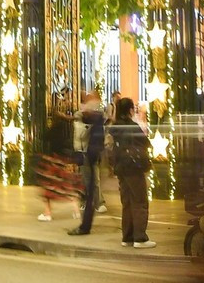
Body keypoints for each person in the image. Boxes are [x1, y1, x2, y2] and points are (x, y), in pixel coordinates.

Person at [106, 96, 154, 248]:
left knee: (126, 202)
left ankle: (127, 237)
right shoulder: (132, 126)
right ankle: (140, 237)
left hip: (121, 168)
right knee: (139, 201)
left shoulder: (114, 127)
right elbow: (146, 143)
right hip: (133, 167)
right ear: (130, 110)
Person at [67, 91, 107, 237]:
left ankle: (86, 224)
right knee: (87, 188)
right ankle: (85, 222)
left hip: (90, 157)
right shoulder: (86, 117)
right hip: (86, 156)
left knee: (91, 187)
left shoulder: (95, 118)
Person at [35, 97, 76, 221]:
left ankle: (47, 213)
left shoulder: (54, 128)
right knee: (65, 186)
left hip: (52, 160)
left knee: (48, 187)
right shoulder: (67, 128)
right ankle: (75, 210)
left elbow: (44, 137)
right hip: (62, 159)